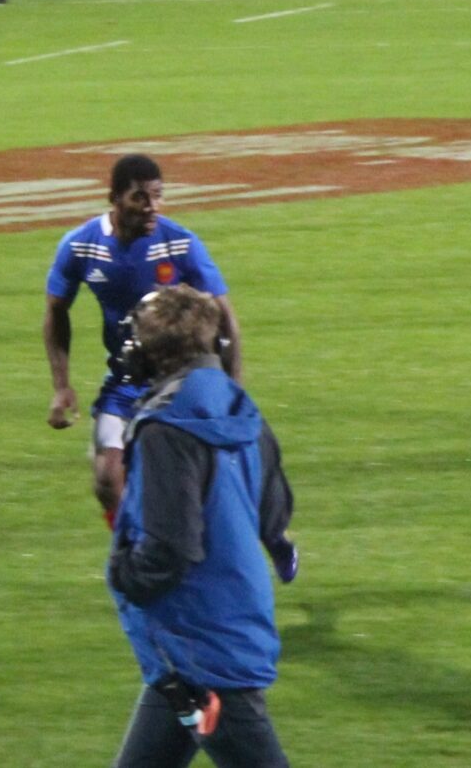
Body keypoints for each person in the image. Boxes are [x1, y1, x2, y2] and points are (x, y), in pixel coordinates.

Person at [105, 286, 297, 768]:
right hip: (224, 623)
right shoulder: (242, 409)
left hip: (198, 641)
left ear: (150, 355)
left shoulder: (165, 430)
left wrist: (124, 573)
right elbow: (274, 515)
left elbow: (170, 549)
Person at [46, 154, 243, 522]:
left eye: (158, 195)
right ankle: (136, 555)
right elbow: (56, 310)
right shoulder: (81, 246)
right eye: (140, 197)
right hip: (126, 379)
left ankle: (264, 533)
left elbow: (226, 320)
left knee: (206, 478)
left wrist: (233, 391)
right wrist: (61, 386)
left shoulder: (180, 244)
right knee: (107, 479)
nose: (152, 207)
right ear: (114, 198)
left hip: (185, 382)